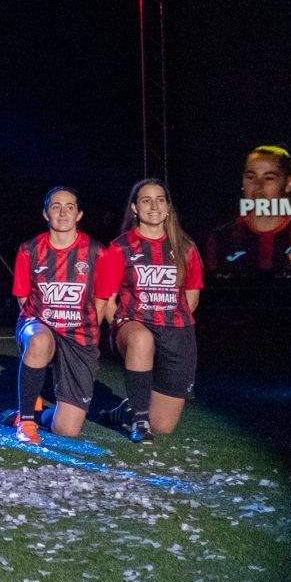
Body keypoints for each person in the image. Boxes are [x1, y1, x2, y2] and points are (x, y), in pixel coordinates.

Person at [94, 179, 202, 443]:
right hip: (135, 324)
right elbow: (107, 299)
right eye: (145, 200)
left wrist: (169, 320)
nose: (153, 206)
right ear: (134, 208)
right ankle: (139, 421)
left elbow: (191, 297)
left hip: (176, 333)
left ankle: (129, 410)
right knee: (142, 339)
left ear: (167, 208)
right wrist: (120, 325)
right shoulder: (120, 248)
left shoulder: (186, 248)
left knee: (163, 425)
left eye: (160, 200)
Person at [10, 188, 106, 444]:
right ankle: (26, 419)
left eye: (70, 207)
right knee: (39, 339)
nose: (63, 212)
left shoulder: (97, 253)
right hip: (40, 324)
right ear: (45, 213)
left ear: (79, 214)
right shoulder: (29, 250)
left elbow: (100, 303)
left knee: (67, 429)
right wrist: (39, 328)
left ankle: (39, 412)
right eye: (56, 206)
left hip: (79, 334)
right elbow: (23, 298)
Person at [204, 147, 291, 274]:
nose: (258, 185)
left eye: (269, 178)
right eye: (250, 177)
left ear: (288, 183)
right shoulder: (220, 239)